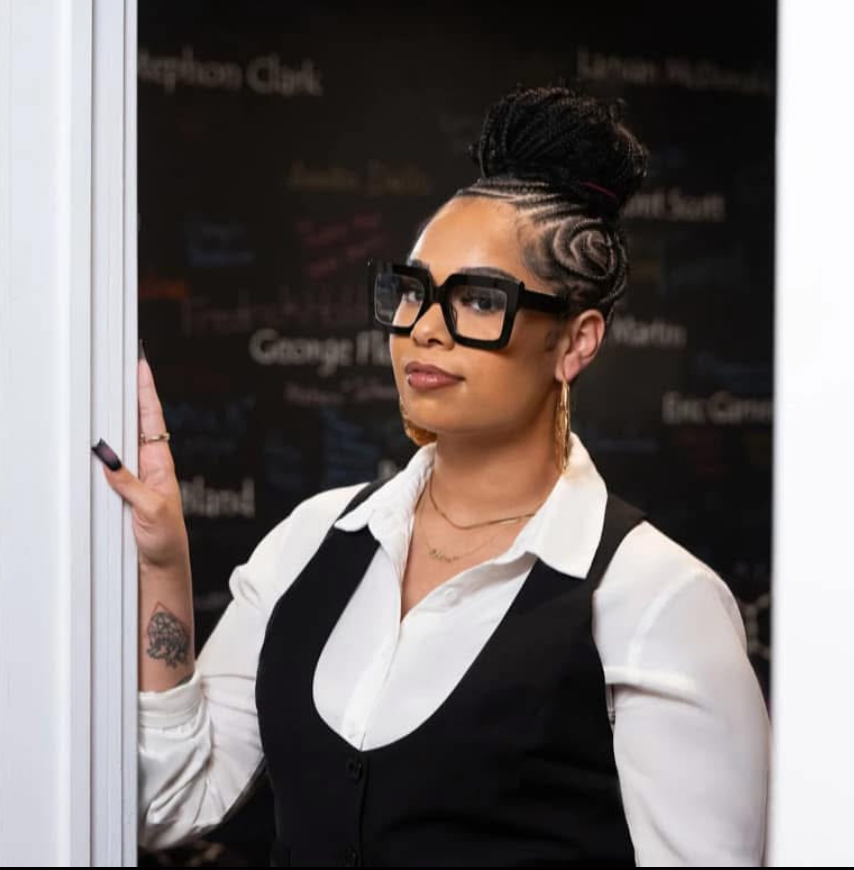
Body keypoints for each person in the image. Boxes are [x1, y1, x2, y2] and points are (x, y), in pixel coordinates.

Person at [92, 84, 770, 866]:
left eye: (479, 299)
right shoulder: (314, 537)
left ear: (575, 342)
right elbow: (170, 806)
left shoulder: (656, 600)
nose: (424, 328)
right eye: (412, 291)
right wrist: (165, 565)